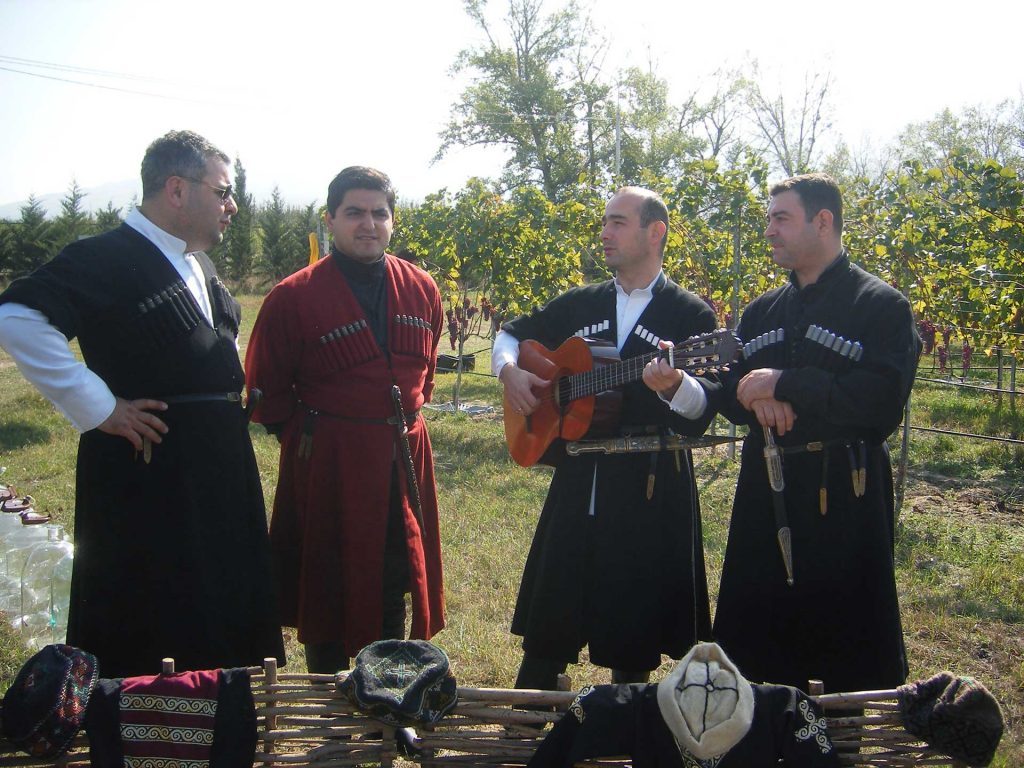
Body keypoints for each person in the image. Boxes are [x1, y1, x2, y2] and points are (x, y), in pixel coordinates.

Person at [0, 130, 285, 677]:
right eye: (223, 192)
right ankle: (152, 732)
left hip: (218, 469)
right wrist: (101, 407)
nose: (233, 205)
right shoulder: (102, 257)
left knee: (220, 596)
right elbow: (16, 318)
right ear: (176, 190)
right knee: (157, 603)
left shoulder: (198, 263)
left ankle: (222, 718)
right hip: (150, 474)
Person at [493, 186, 721, 689]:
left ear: (654, 232)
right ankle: (528, 724)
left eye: (618, 222)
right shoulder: (582, 301)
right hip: (578, 476)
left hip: (650, 483)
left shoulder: (691, 316)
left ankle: (626, 729)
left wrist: (676, 385)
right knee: (551, 615)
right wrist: (509, 373)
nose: (605, 232)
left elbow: (705, 405)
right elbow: (510, 334)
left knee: (633, 624)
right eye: (605, 222)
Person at [712, 173, 920, 694]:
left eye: (781, 218)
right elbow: (730, 389)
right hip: (766, 493)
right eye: (768, 220)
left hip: (842, 498)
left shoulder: (881, 306)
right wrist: (757, 395)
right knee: (760, 652)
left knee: (845, 647)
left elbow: (878, 402)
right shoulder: (762, 310)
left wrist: (785, 382)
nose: (770, 231)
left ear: (822, 221)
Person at [245, 166, 445, 674]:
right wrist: (321, 436)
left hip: (403, 457)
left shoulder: (421, 288)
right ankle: (330, 711)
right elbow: (267, 392)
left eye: (380, 213)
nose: (368, 224)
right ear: (330, 219)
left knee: (394, 573)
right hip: (328, 462)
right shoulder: (293, 296)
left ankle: (389, 697)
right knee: (327, 583)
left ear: (392, 220)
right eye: (354, 212)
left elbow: (427, 375)